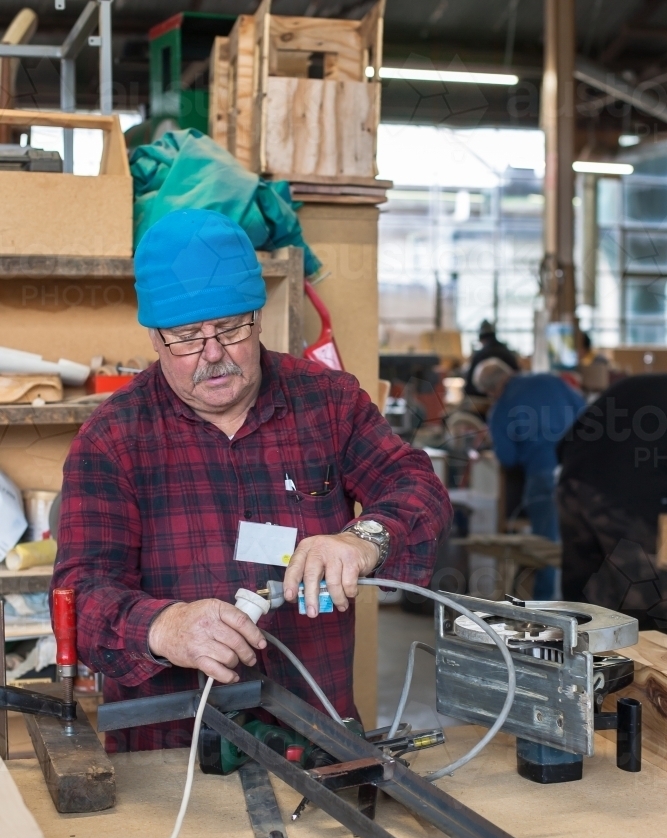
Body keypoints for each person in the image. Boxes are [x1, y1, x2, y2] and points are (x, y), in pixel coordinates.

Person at [52, 209, 451, 751]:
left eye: (231, 328)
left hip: (316, 735)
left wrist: (363, 539)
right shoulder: (112, 438)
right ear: (154, 336)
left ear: (258, 316)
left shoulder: (328, 402)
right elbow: (80, 595)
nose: (212, 354)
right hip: (172, 752)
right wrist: (164, 627)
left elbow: (415, 486)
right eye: (187, 337)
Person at [558, 374, 667, 630]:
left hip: (573, 483)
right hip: (625, 497)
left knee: (583, 597)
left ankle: (578, 663)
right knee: (646, 598)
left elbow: (564, 443)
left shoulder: (637, 385)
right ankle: (640, 666)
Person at [472, 358, 585, 600]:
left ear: (491, 390)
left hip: (543, 474)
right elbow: (585, 412)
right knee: (582, 542)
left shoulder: (501, 408)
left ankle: (546, 613)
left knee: (545, 547)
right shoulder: (551, 380)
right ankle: (584, 610)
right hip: (579, 472)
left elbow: (508, 458)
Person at [464, 320, 520, 397]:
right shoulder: (507, 353)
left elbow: (469, 387)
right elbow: (518, 377)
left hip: (482, 404)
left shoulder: (479, 355)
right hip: (510, 398)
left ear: (481, 339)